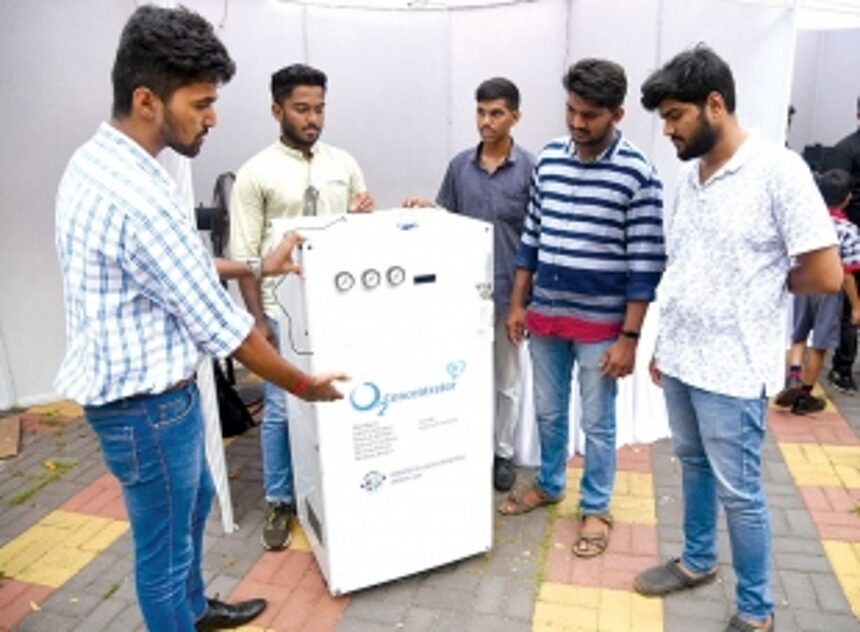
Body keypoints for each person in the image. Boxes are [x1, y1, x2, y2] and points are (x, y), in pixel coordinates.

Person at [54, 7, 345, 631]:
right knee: (162, 553)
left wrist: (256, 266)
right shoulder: (139, 194)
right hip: (147, 407)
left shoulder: (100, 161)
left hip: (146, 400)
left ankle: (194, 610)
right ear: (146, 99)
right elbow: (230, 332)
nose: (212, 117)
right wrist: (305, 386)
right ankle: (179, 613)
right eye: (201, 102)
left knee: (192, 511)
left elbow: (178, 267)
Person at [635, 45, 842, 632]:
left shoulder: (779, 171)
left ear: (715, 105)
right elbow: (682, 265)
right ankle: (697, 560)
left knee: (741, 492)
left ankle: (757, 612)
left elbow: (824, 273)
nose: (669, 130)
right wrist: (662, 342)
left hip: (734, 365)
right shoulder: (689, 177)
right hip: (682, 356)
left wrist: (766, 283)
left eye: (675, 116)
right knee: (691, 464)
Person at [497, 59, 665, 561]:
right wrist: (517, 303)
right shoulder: (549, 159)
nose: (576, 123)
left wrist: (629, 340)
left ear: (618, 113)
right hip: (545, 317)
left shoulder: (639, 174)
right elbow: (531, 238)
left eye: (589, 115)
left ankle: (596, 506)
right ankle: (549, 485)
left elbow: (645, 266)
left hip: (601, 328)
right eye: (571, 110)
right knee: (549, 411)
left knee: (597, 420)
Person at [229, 63, 373, 551]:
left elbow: (359, 232)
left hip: (340, 306)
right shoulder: (255, 173)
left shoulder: (343, 163)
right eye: (302, 109)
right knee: (279, 411)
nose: (313, 119)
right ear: (277, 110)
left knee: (337, 398)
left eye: (319, 109)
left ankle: (337, 489)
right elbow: (246, 256)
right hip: (282, 313)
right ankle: (279, 500)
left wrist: (361, 219)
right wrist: (258, 322)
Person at [402, 77, 535, 491]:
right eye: (480, 112)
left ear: (515, 116)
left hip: (509, 296)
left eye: (496, 113)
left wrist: (523, 302)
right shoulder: (460, 166)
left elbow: (536, 240)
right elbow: (449, 222)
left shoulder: (531, 169)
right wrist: (428, 210)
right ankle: (465, 448)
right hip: (463, 295)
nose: (486, 121)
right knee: (461, 377)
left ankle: (502, 453)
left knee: (507, 382)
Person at [774, 169, 860, 414]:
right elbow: (847, 274)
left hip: (803, 285)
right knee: (820, 344)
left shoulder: (806, 222)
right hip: (829, 290)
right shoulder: (849, 230)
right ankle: (804, 396)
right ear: (847, 198)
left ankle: (792, 376)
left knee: (798, 336)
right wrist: (856, 306)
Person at [828, 97, 860, 393]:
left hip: (850, 237)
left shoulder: (844, 149)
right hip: (850, 238)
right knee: (850, 305)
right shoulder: (846, 150)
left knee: (850, 305)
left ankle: (843, 368)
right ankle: (842, 367)